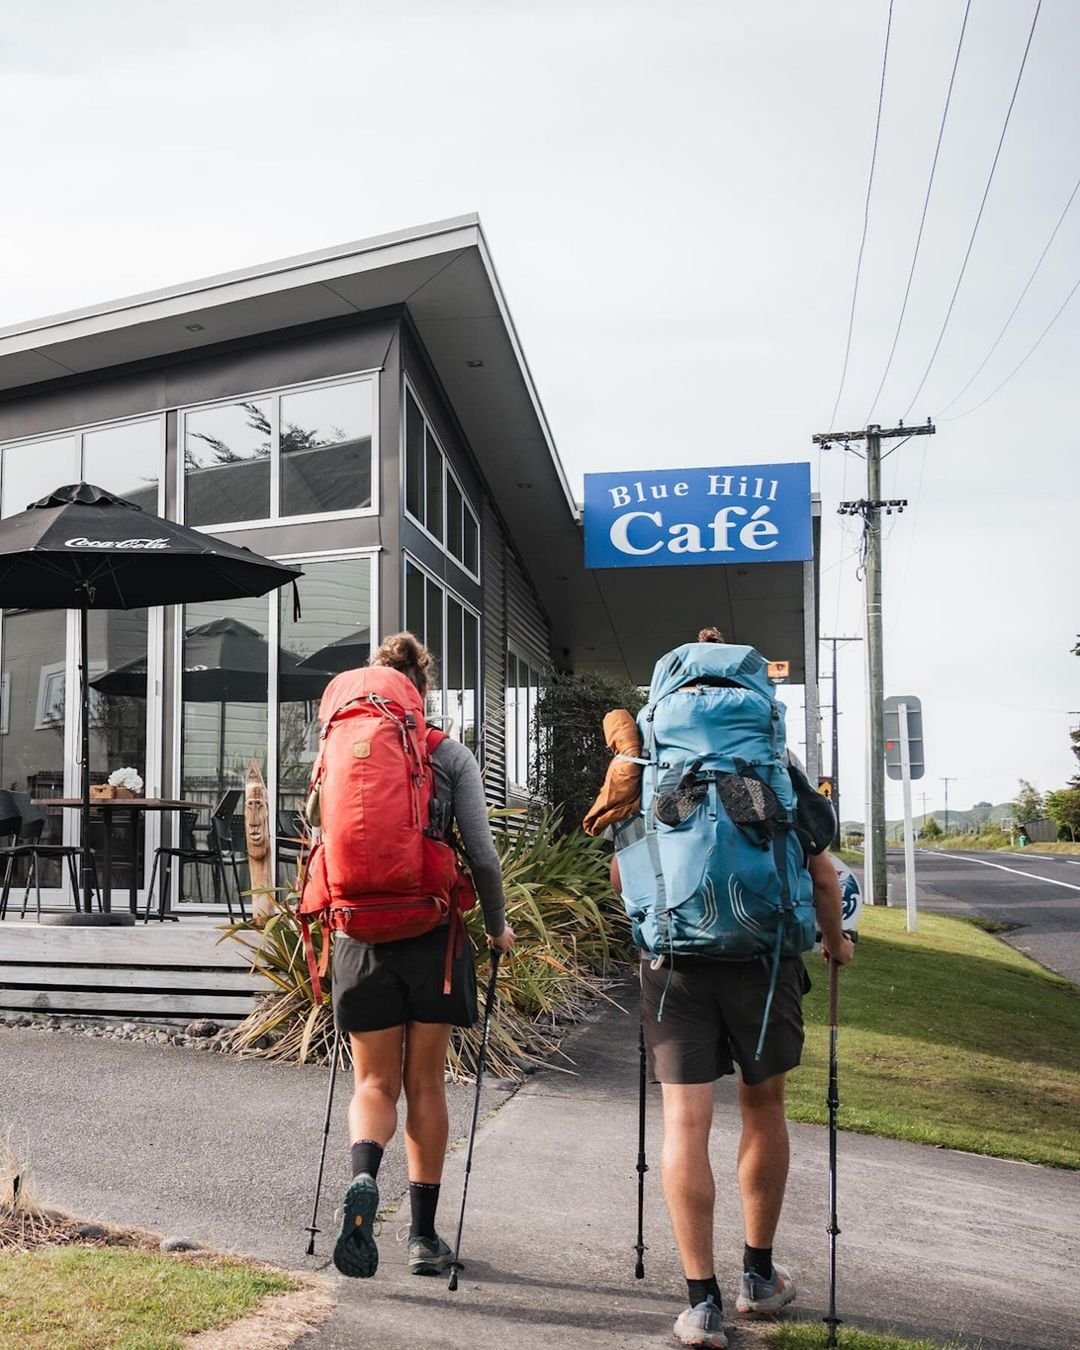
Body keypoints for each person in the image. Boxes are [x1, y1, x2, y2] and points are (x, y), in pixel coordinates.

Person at [616, 627, 856, 1349]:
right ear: (755, 696)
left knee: (685, 1126)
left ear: (666, 695)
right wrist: (837, 942)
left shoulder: (647, 763)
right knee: (764, 1108)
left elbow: (621, 866)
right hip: (766, 957)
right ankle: (759, 1276)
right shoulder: (774, 760)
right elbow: (820, 872)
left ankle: (701, 1303)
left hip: (673, 966)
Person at [330, 632, 515, 1281]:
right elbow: (484, 858)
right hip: (433, 936)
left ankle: (362, 1177)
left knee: (373, 1083)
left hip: (359, 938)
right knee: (426, 1083)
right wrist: (498, 927)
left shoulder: (338, 742)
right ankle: (422, 1236)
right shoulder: (448, 753)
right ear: (421, 690)